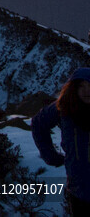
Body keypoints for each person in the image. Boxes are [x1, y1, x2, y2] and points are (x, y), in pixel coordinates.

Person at [32, 67, 90, 216]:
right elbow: (39, 123)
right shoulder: (65, 108)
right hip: (78, 190)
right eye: (81, 86)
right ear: (73, 89)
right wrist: (50, 155)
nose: (86, 91)